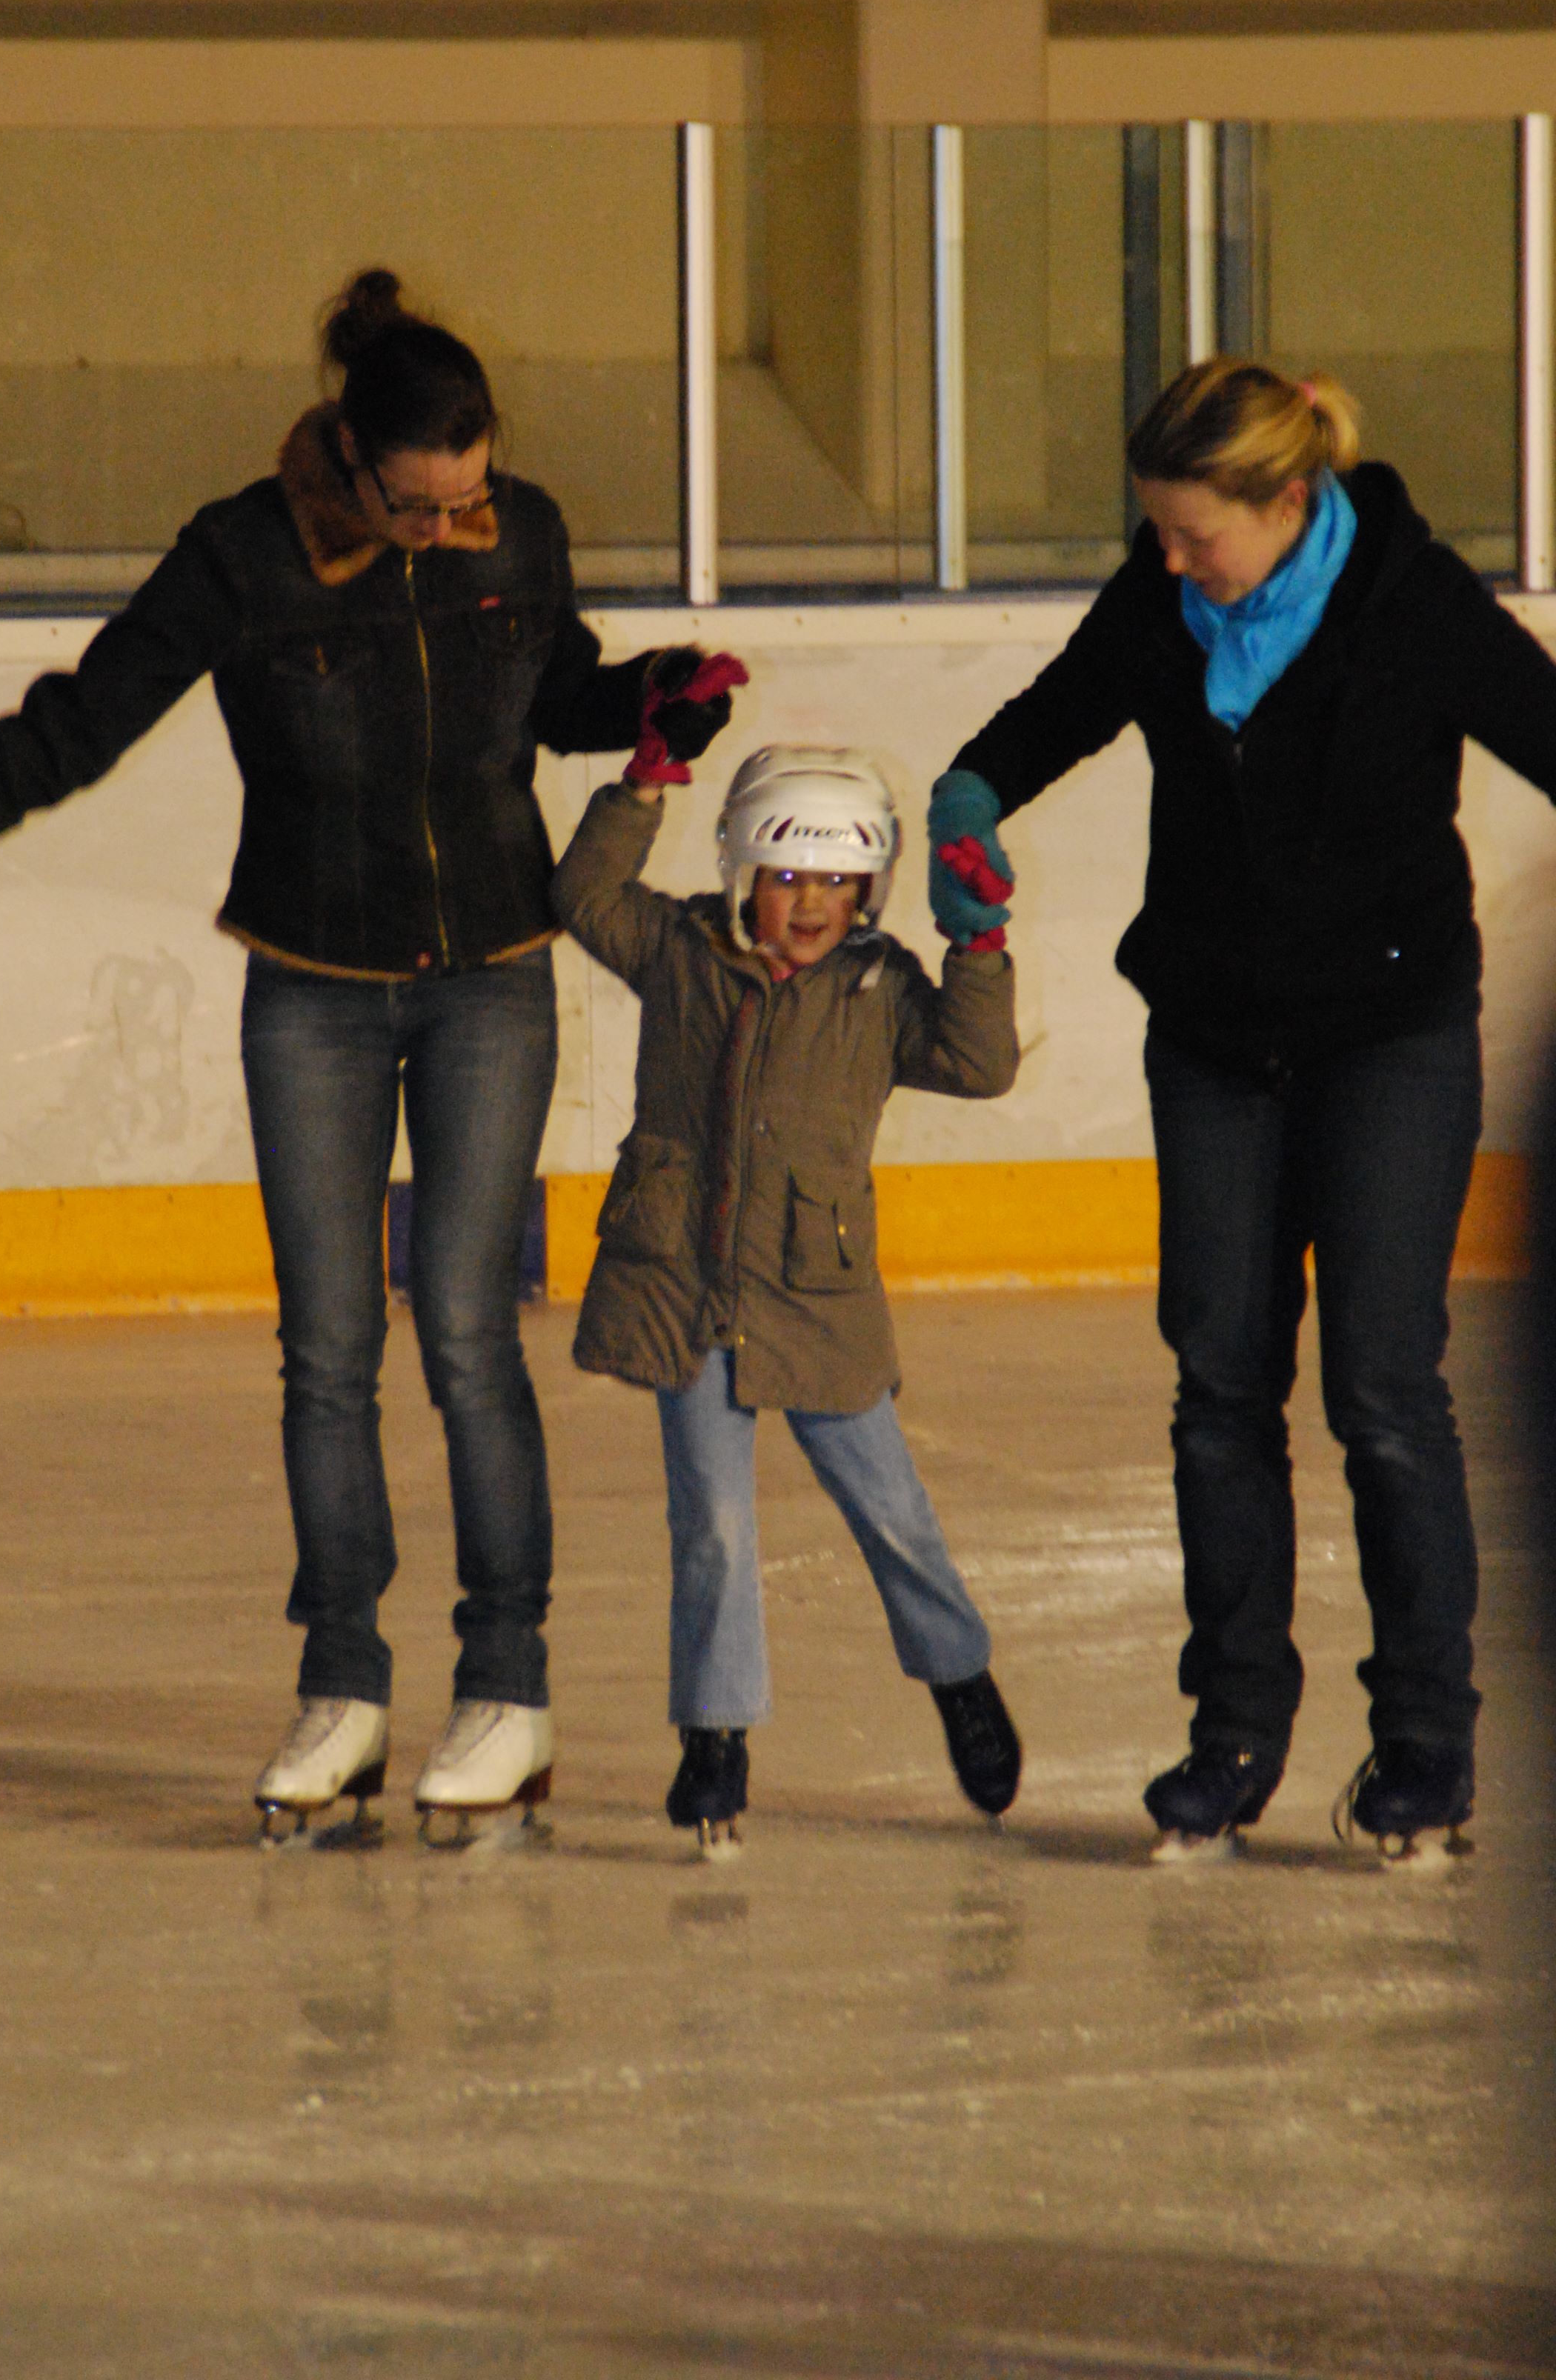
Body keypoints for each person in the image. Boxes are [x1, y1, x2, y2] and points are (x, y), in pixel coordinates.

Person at [0, 269, 742, 1841]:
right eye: (420, 506)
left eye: (474, 496)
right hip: (309, 990)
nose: (453, 529)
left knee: (462, 1327)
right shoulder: (244, 555)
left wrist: (649, 698)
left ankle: (507, 1688)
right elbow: (67, 731)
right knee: (326, 1350)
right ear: (356, 464)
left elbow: (553, 693)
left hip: (492, 984)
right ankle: (346, 1687)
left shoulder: (524, 531)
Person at [930, 355, 1556, 1864]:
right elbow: (1041, 722)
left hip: (1388, 1038)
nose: (1169, 557)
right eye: (1154, 530)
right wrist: (966, 800)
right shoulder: (1160, 605)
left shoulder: (1411, 601)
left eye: (1194, 531)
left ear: (1289, 500)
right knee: (1219, 1391)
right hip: (1213, 1041)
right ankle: (1235, 1732)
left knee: (1386, 1396)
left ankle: (1424, 1745)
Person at [551, 733, 1023, 1856]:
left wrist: (980, 941)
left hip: (819, 1296)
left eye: (836, 881)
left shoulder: (881, 987)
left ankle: (960, 1676)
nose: (809, 904)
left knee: (893, 1512)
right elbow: (582, 894)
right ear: (743, 872)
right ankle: (715, 1739)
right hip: (689, 1291)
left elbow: (980, 1063)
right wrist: (646, 779)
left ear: (869, 887)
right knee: (711, 1525)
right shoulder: (676, 951)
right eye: (788, 876)